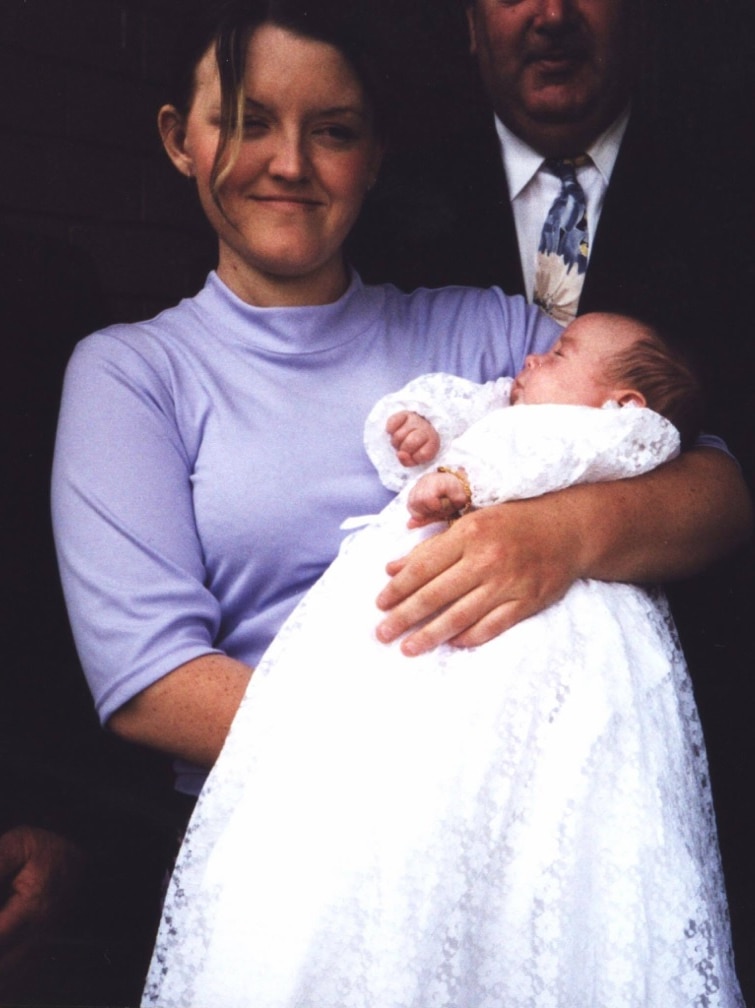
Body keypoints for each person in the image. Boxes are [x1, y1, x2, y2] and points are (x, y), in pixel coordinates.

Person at [50, 0, 747, 972]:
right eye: (248, 120)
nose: (288, 162)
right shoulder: (131, 374)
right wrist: (401, 771)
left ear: (374, 155)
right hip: (280, 836)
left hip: (503, 833)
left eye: (331, 130)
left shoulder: (481, 334)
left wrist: (567, 535)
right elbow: (150, 685)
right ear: (181, 138)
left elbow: (705, 482)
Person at [142, 312, 742, 1005]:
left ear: (622, 402)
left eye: (559, 353)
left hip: (549, 632)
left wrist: (464, 477)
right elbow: (450, 420)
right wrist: (424, 435)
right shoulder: (509, 408)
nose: (531, 358)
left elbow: (548, 460)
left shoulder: (597, 434)